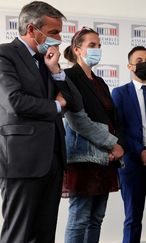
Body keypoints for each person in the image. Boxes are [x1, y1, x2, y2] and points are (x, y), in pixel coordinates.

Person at [0, 1, 83, 242]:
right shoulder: (5, 54)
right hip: (22, 160)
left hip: (53, 161)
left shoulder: (49, 60)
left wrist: (56, 70)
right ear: (32, 29)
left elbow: (75, 102)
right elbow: (15, 101)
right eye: (53, 32)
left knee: (45, 234)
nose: (59, 38)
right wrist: (57, 105)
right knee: (19, 234)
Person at [62, 27, 124, 243]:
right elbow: (78, 121)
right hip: (84, 158)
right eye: (92, 45)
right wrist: (111, 144)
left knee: (96, 218)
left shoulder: (100, 82)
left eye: (99, 46)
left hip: (106, 159)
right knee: (79, 218)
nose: (97, 49)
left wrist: (112, 148)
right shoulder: (69, 77)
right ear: (77, 50)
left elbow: (111, 120)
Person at [112, 46, 146, 243]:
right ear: (130, 66)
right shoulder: (119, 93)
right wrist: (140, 151)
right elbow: (119, 129)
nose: (145, 64)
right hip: (132, 165)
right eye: (140, 60)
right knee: (133, 219)